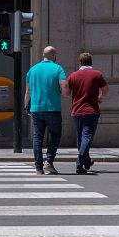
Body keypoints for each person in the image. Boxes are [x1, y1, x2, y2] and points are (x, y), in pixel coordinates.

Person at [25, 46, 70, 175]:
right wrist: (64, 92)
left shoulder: (32, 70)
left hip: (36, 109)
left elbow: (27, 92)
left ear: (43, 55)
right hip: (52, 108)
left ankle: (38, 167)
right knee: (55, 135)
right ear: (54, 56)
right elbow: (65, 89)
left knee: (37, 137)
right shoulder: (57, 68)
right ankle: (48, 162)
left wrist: (26, 106)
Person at [68, 52, 108, 174]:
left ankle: (86, 161)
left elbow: (67, 92)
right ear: (91, 62)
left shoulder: (73, 75)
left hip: (76, 111)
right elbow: (105, 89)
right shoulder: (97, 74)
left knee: (81, 137)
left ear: (79, 63)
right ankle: (80, 164)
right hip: (91, 111)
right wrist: (100, 97)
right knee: (87, 137)